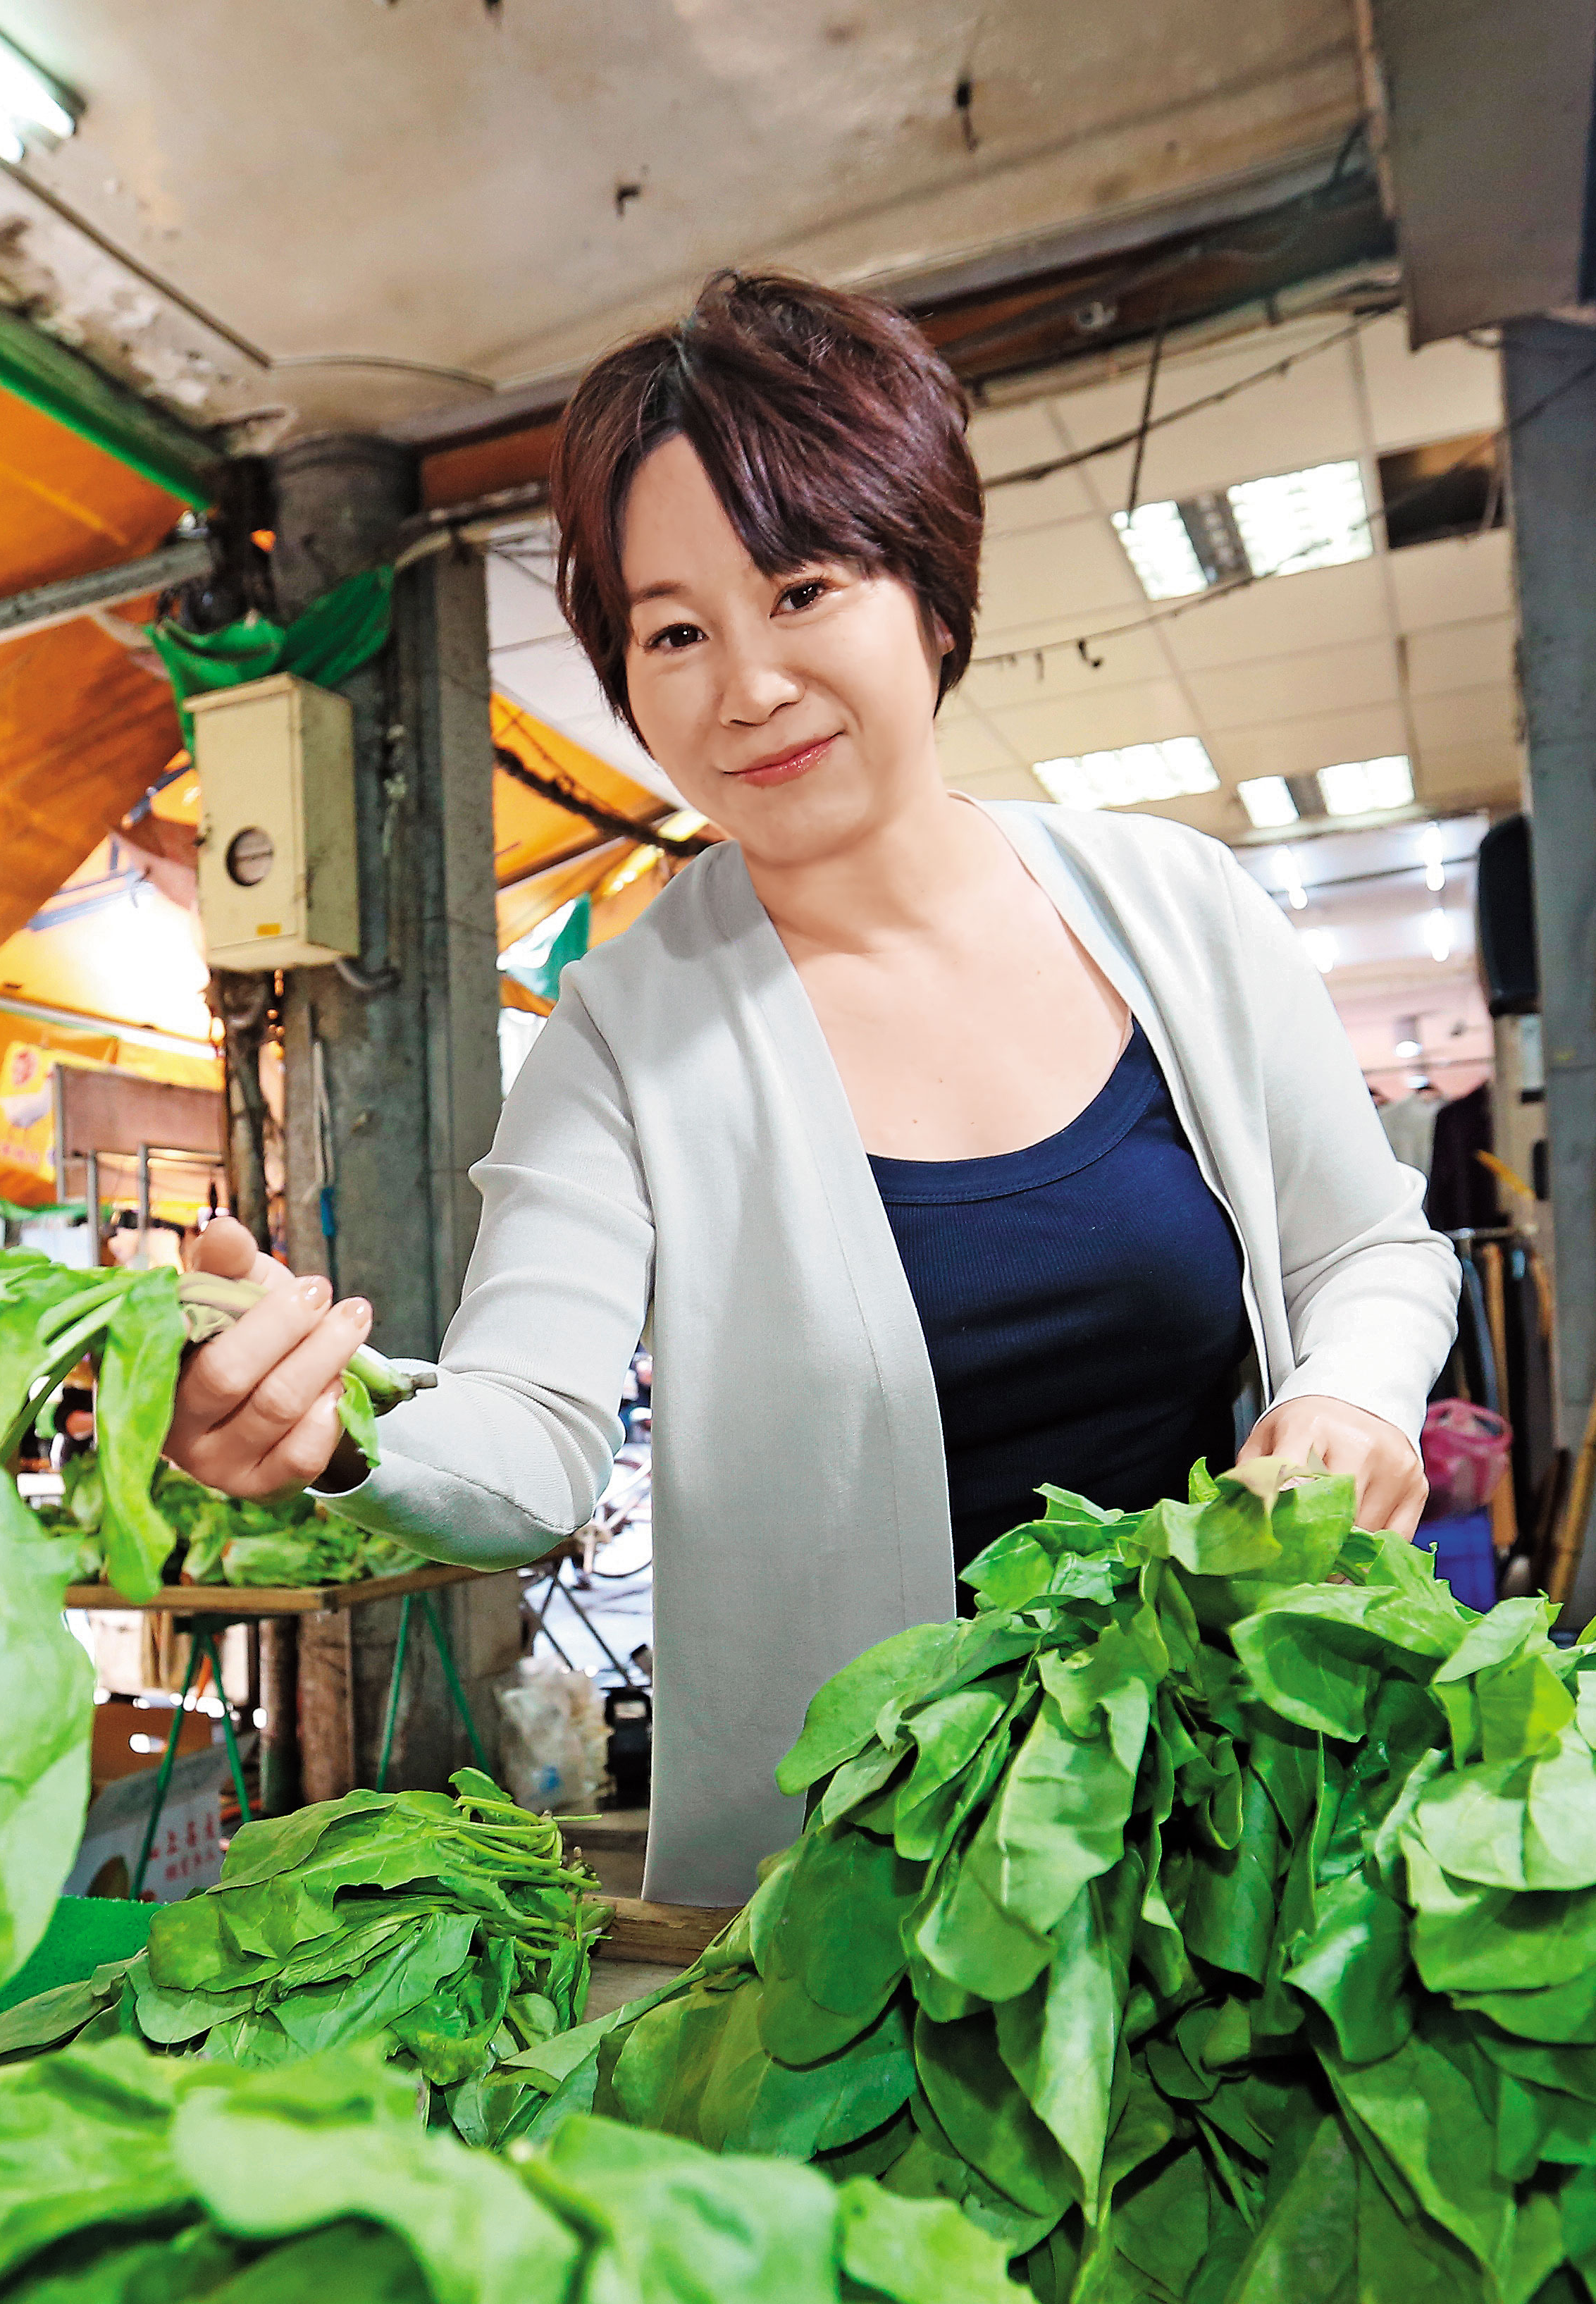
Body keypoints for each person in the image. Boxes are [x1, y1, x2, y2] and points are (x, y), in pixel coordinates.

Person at [167, 271, 1460, 1902]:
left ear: (924, 590)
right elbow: (529, 1436)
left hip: (1240, 1816)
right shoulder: (622, 1035)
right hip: (861, 1904)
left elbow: (1369, 1250)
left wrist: (1347, 1395)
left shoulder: (1177, 907)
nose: (745, 685)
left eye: (797, 588)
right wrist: (327, 1418)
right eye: (673, 631)